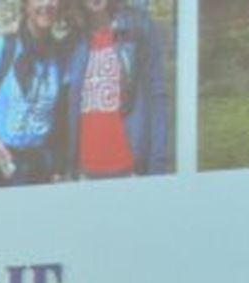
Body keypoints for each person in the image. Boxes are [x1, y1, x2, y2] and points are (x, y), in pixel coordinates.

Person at [0, 0, 68, 187]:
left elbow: (62, 117)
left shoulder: (61, 55)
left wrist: (58, 166)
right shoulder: (3, 48)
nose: (47, 4)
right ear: (26, 5)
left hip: (39, 169)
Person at [62, 0, 171, 178]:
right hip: (86, 172)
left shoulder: (139, 29)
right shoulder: (73, 42)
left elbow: (157, 96)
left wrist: (158, 164)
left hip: (130, 169)